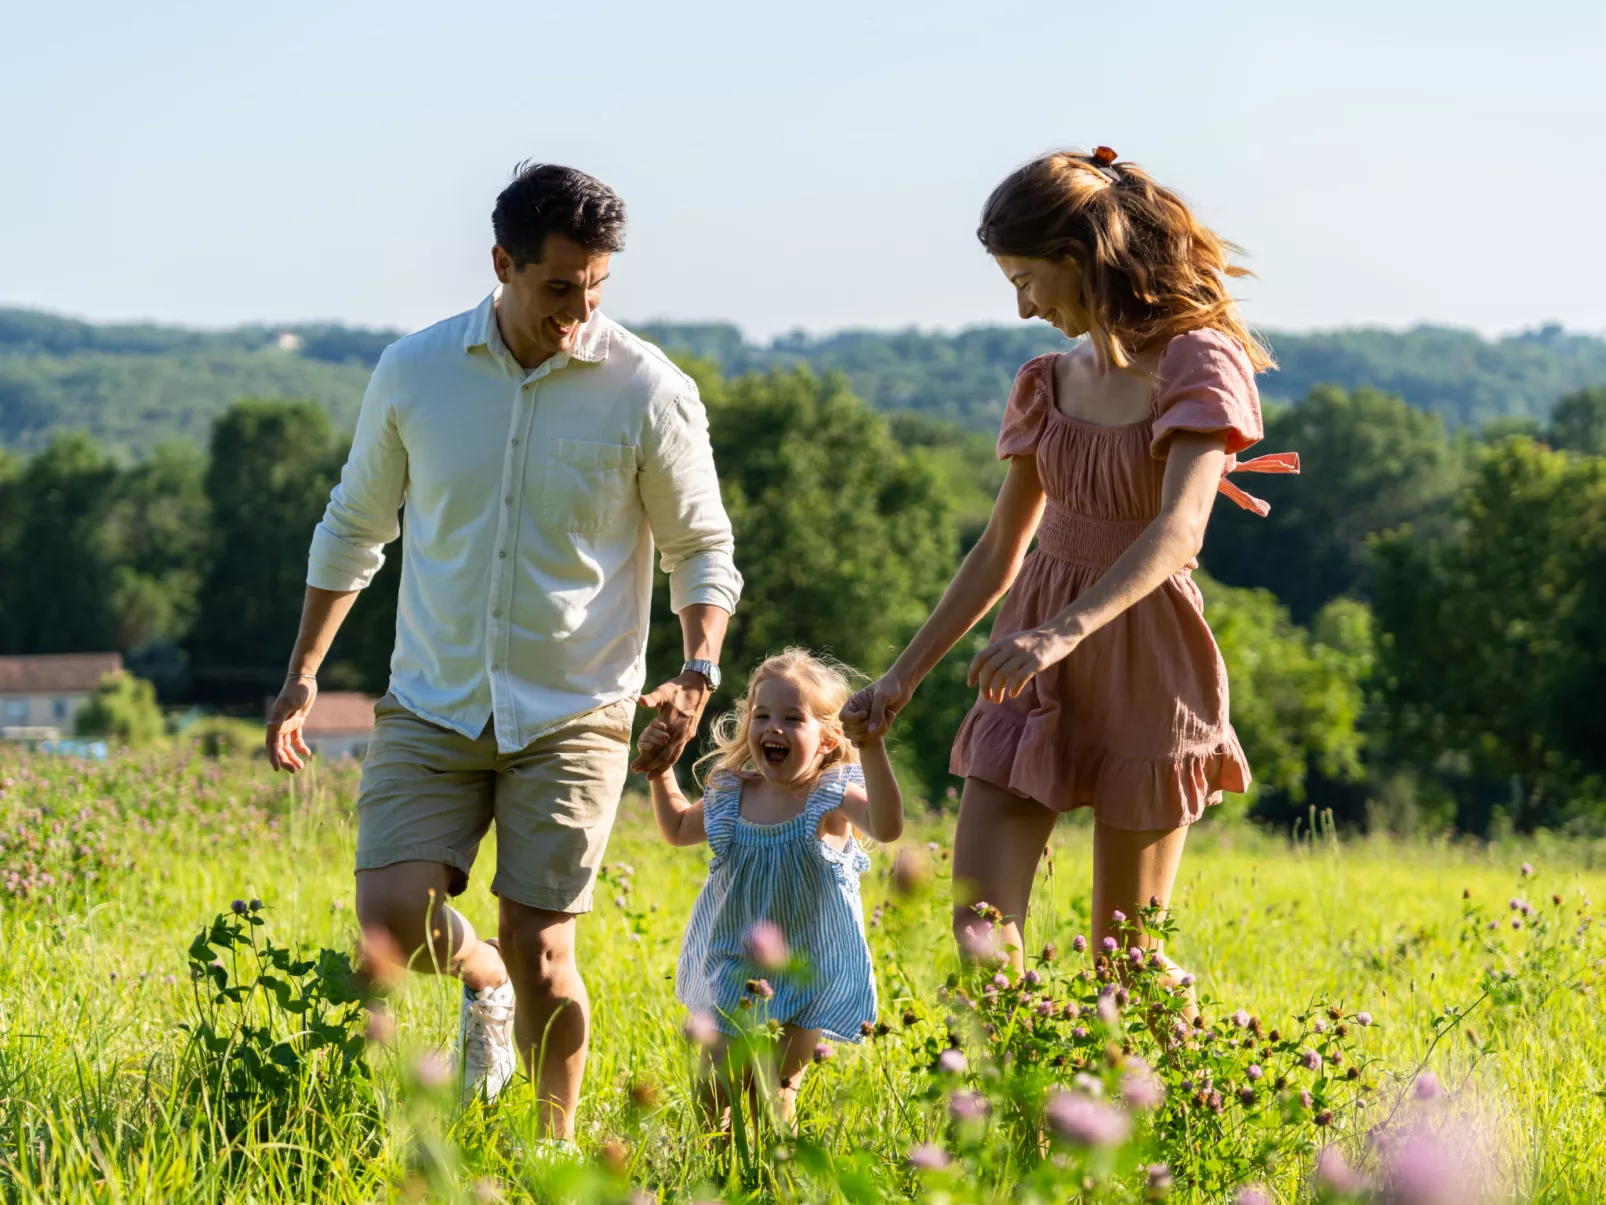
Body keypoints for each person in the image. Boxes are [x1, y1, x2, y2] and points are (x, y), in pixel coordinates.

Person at [263, 163, 742, 1138]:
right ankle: (476, 979)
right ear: (502, 264)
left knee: (544, 948)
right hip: (433, 697)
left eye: (596, 287)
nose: (578, 309)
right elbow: (355, 526)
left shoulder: (647, 388)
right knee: (389, 925)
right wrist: (303, 672)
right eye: (557, 286)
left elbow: (700, 548)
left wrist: (696, 671)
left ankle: (550, 1152)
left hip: (575, 708)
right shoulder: (414, 370)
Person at [842, 147, 1296, 980]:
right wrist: (900, 678)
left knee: (1125, 966)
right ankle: (1023, 1110)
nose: (1022, 308)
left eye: (1026, 279)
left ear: (1079, 261)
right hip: (1030, 666)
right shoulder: (1046, 381)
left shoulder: (1198, 360)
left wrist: (1061, 632)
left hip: (1144, 660)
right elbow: (999, 549)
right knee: (980, 935)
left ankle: (1176, 1105)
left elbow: (1179, 530)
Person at [641, 648, 903, 1124]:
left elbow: (887, 826)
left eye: (792, 717)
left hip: (805, 973)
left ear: (827, 738)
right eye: (761, 715)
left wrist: (872, 746)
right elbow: (678, 829)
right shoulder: (732, 792)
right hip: (731, 966)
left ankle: (767, 1186)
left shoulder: (833, 796)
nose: (772, 727)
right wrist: (660, 772)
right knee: (712, 1092)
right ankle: (710, 1186)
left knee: (773, 1094)